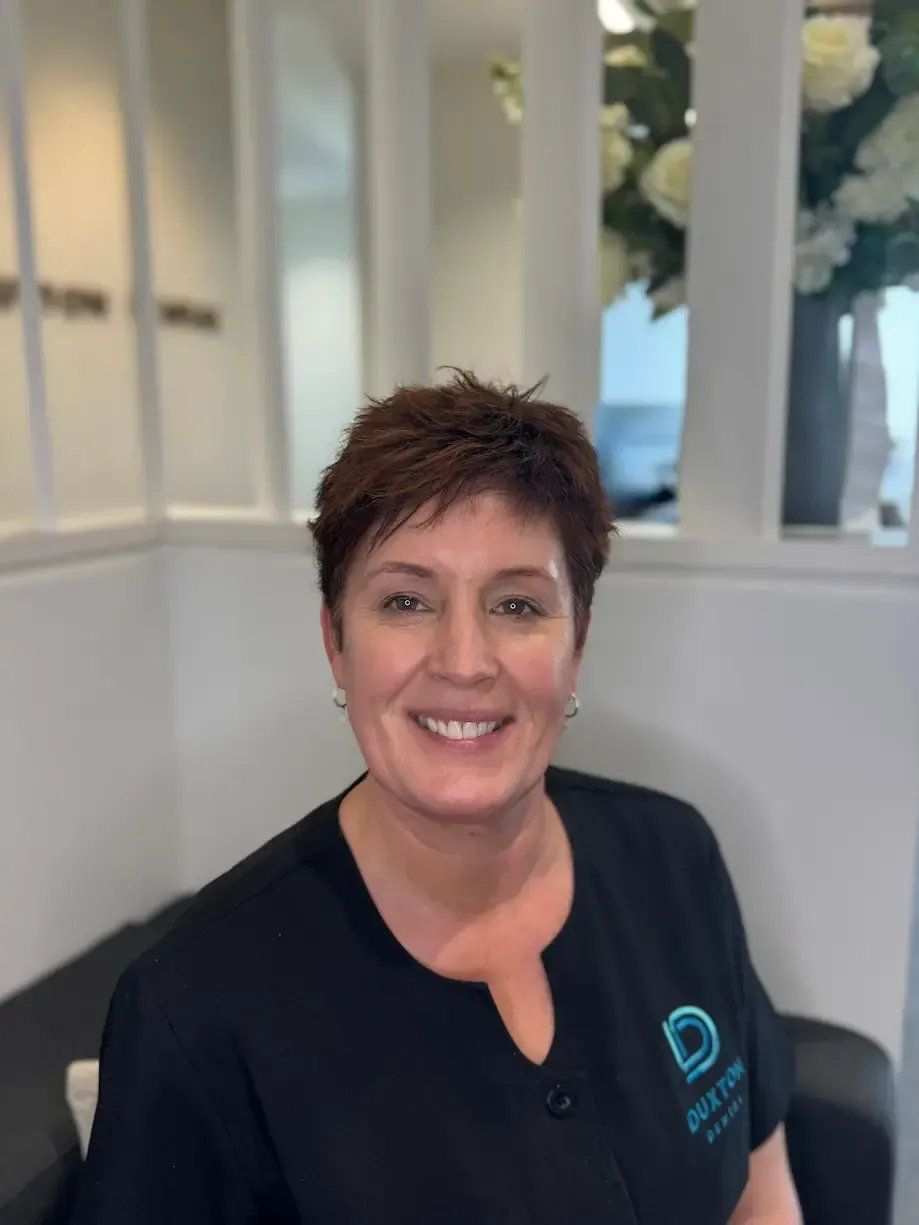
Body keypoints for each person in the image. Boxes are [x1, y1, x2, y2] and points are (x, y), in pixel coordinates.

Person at [71, 372, 801, 1225]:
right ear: (336, 644)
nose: (463, 660)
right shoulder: (193, 1007)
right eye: (406, 600)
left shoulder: (673, 856)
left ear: (577, 645)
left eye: (518, 604)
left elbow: (759, 1185)